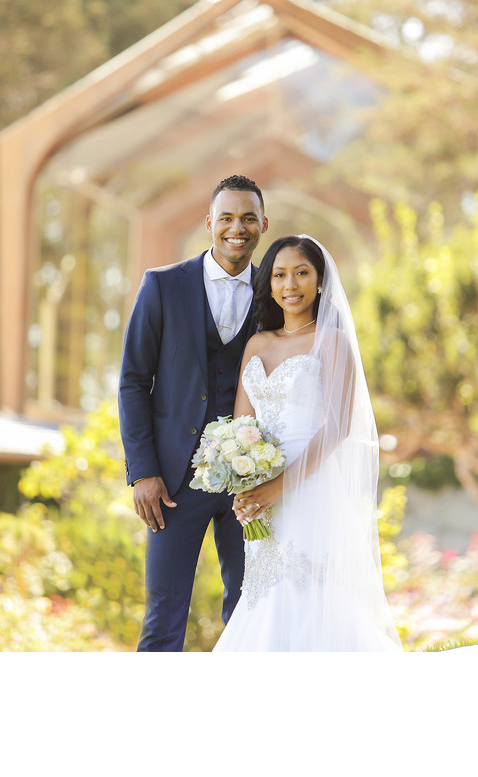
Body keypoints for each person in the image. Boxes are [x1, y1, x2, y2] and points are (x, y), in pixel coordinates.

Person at [213, 235, 402, 651]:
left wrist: (278, 486)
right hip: (260, 487)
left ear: (319, 281)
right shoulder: (258, 345)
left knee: (309, 589)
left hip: (312, 484)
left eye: (301, 273)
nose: (290, 284)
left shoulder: (332, 341)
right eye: (279, 275)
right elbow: (242, 425)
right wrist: (242, 482)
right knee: (265, 590)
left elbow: (335, 428)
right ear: (270, 283)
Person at [119, 174, 269, 651]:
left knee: (251, 611)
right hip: (173, 484)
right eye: (226, 218)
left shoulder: (275, 293)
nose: (237, 228)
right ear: (209, 222)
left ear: (263, 224)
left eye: (248, 218)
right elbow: (133, 382)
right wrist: (143, 472)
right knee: (163, 620)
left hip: (250, 484)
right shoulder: (162, 286)